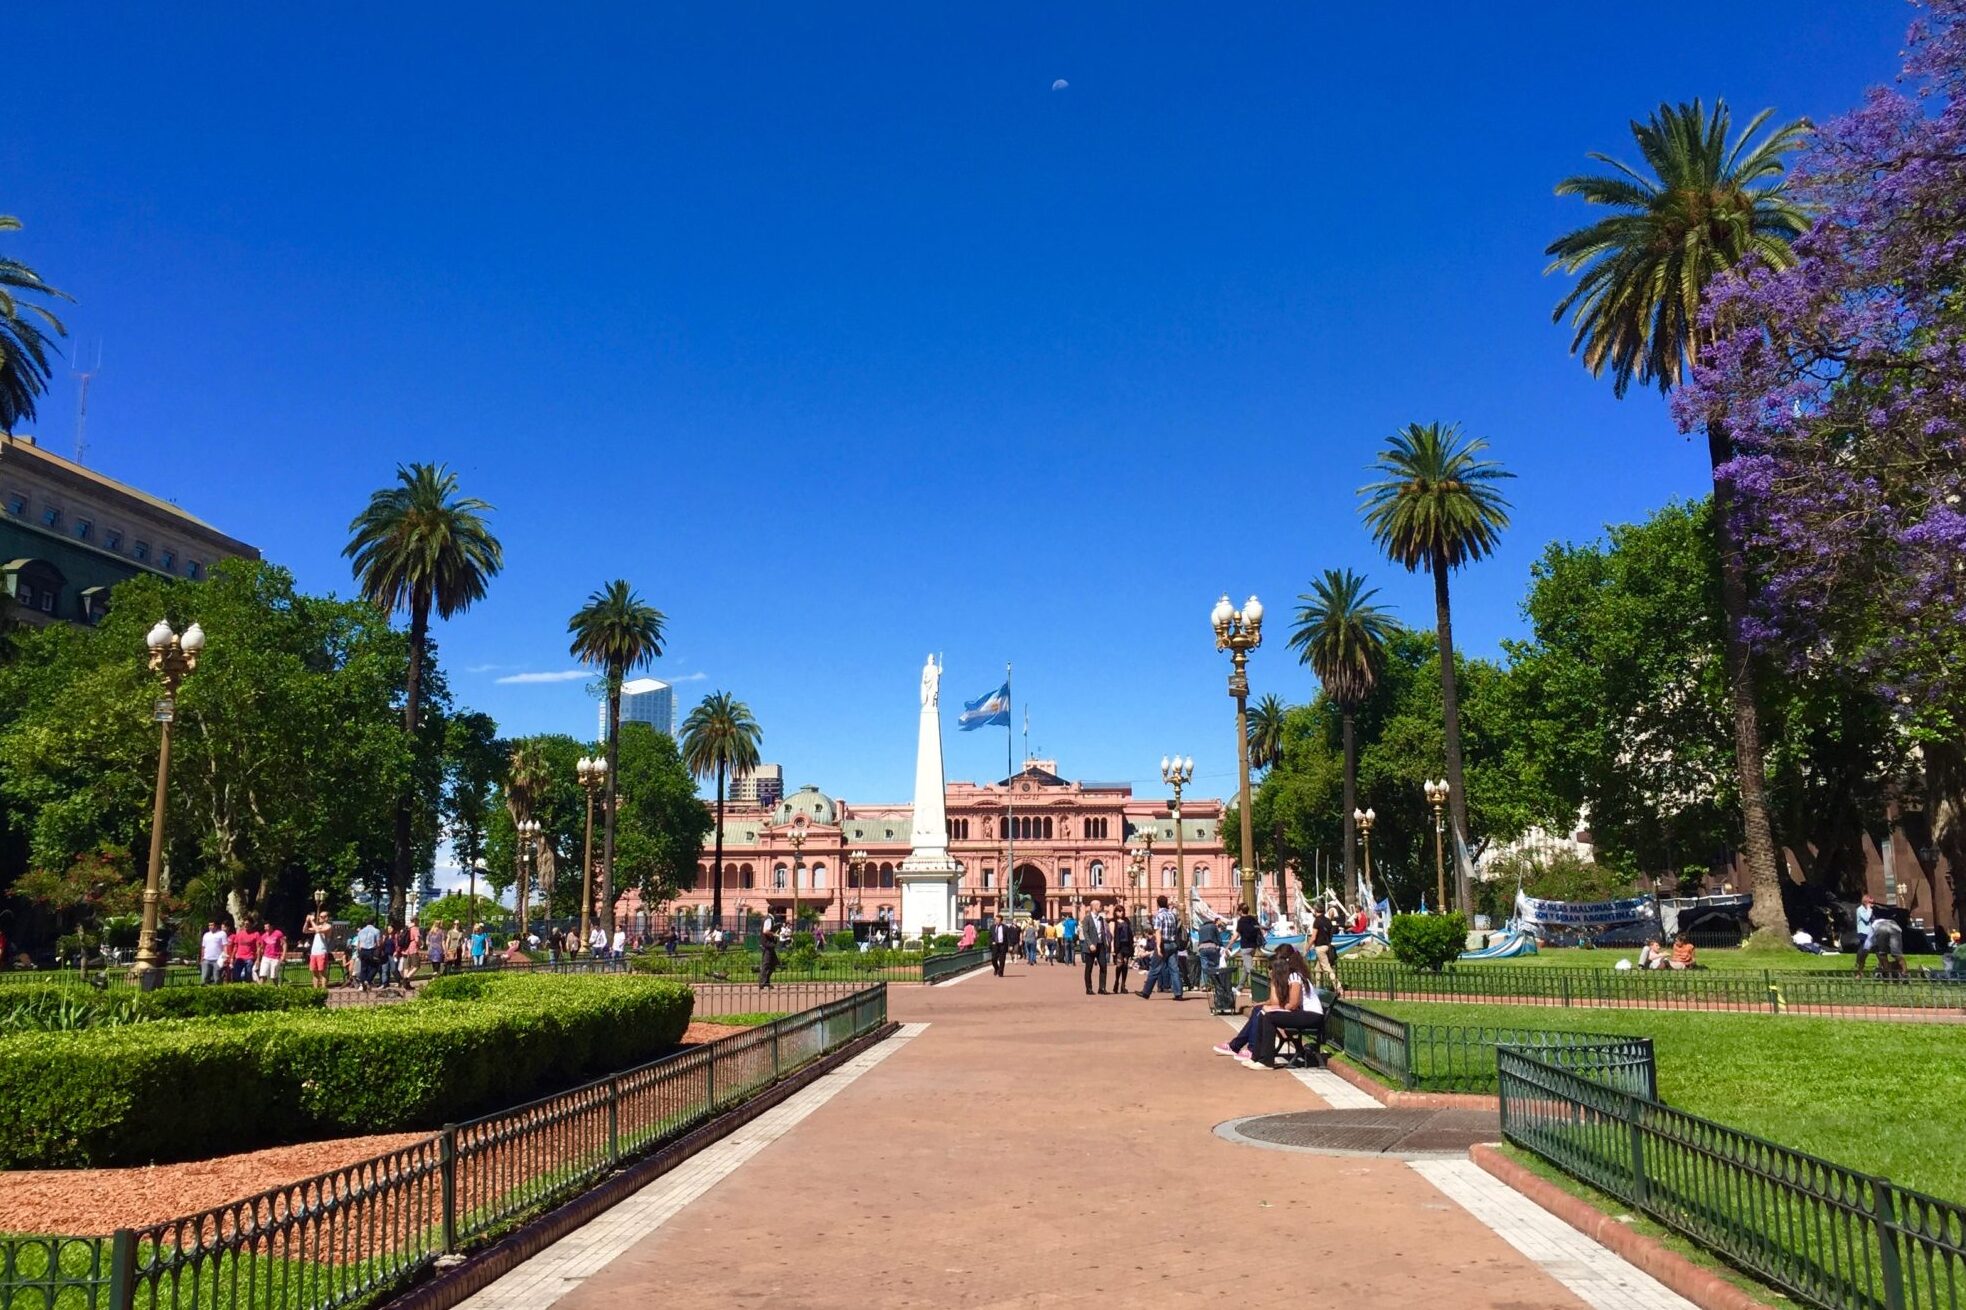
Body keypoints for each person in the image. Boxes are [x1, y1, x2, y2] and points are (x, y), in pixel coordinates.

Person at [1216, 944, 1325, 1068]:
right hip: (1303, 1014)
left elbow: (1293, 1004)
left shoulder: (1295, 976)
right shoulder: (1290, 976)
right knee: (1263, 1012)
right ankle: (1256, 1056)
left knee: (1268, 1016)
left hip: (1311, 1016)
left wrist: (1276, 1008)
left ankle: (1266, 1061)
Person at [1138, 897, 1185, 1001]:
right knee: (1174, 969)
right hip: (1173, 944)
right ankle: (1178, 993)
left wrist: (1158, 947)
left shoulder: (1159, 915)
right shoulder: (1172, 915)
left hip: (1164, 944)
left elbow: (1158, 932)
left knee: (1154, 967)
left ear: (1157, 904)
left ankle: (1146, 992)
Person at [1080, 904, 1110, 995]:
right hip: (1091, 946)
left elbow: (1104, 931)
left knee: (1103, 966)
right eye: (1100, 905)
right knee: (1089, 968)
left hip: (1101, 945)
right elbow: (1085, 932)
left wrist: (1106, 942)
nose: (1102, 906)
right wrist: (1090, 944)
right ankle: (1089, 988)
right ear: (1094, 907)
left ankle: (1102, 988)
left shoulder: (1101, 919)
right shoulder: (1087, 918)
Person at [1233, 903, 1263, 990]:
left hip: (1245, 946)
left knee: (1250, 968)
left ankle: (1260, 985)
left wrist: (1229, 945)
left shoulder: (1241, 921)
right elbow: (1259, 929)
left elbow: (1236, 935)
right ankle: (1240, 986)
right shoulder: (1253, 919)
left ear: (1241, 911)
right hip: (1253, 946)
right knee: (1246, 968)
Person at [1310, 908, 1339, 990]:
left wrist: (1307, 948)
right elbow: (1331, 935)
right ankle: (1318, 987)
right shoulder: (1328, 921)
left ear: (1316, 911)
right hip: (1327, 946)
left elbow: (1313, 937)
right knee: (1317, 969)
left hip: (1320, 947)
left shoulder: (1317, 921)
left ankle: (1338, 986)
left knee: (1327, 968)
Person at [304, 908, 332, 989]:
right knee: (314, 972)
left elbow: (318, 931)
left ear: (326, 918)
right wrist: (307, 921)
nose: (319, 918)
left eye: (322, 916)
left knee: (322, 972)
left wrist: (312, 921)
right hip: (314, 952)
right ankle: (315, 990)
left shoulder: (328, 926)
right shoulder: (318, 926)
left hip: (322, 952)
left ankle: (323, 989)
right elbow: (305, 930)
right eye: (319, 916)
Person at [352, 919, 383, 992]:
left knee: (363, 967)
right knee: (375, 966)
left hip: (362, 950)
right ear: (374, 923)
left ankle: (363, 984)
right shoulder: (376, 931)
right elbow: (378, 943)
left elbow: (359, 943)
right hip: (371, 950)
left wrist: (359, 952)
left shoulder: (361, 931)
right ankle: (368, 980)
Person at [1111, 906, 1135, 995]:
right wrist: (1112, 948)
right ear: (1116, 912)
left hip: (1127, 945)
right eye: (1119, 911)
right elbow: (1112, 935)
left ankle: (1123, 985)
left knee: (1125, 965)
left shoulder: (1127, 921)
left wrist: (1132, 943)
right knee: (1119, 965)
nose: (1121, 913)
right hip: (1119, 946)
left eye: (1122, 911)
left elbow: (1130, 933)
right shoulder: (1114, 922)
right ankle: (1116, 982)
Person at [758, 918, 780, 990]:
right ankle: (762, 982)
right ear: (773, 911)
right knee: (766, 963)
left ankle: (766, 982)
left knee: (773, 963)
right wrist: (774, 934)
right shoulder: (768, 919)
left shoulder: (768, 919)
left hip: (769, 945)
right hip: (767, 945)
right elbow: (765, 931)